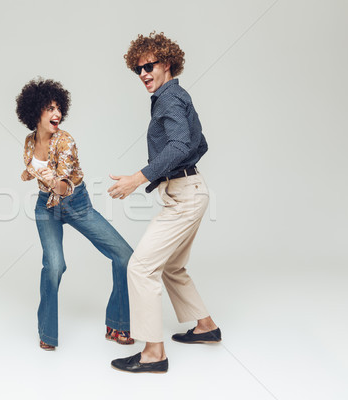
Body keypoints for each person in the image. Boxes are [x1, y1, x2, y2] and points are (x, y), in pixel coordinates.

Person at [108, 32, 221, 373]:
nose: (143, 73)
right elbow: (198, 144)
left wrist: (137, 178)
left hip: (184, 198)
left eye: (149, 65)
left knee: (141, 268)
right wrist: (170, 175)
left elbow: (178, 145)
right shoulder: (176, 95)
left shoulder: (168, 99)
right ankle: (205, 326)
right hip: (191, 190)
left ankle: (153, 353)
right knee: (171, 266)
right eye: (137, 69)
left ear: (167, 63)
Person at [16, 78, 134, 351]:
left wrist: (52, 181)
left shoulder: (65, 141)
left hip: (75, 204)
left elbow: (65, 186)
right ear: (35, 113)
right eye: (49, 108)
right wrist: (29, 173)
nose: (56, 114)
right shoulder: (29, 141)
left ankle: (117, 323)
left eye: (59, 108)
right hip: (46, 208)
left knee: (125, 255)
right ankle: (47, 332)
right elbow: (31, 166)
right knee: (54, 266)